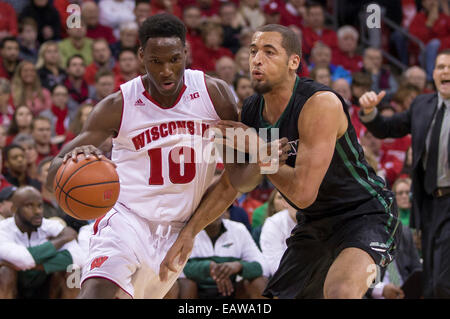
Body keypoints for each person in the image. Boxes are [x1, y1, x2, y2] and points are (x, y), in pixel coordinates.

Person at [169, 23, 401, 299]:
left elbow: (302, 194)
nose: (256, 59)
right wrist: (190, 233)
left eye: (269, 52)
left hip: (365, 213)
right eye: (253, 51)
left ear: (294, 62)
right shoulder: (253, 110)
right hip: (314, 220)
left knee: (340, 292)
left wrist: (257, 148)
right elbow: (232, 184)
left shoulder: (320, 104)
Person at [45, 13, 242, 299]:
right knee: (95, 292)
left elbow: (237, 178)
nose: (166, 71)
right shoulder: (118, 106)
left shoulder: (216, 96)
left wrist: (191, 231)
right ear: (141, 56)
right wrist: (73, 160)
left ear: (186, 53)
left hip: (178, 228)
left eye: (174, 59)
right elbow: (51, 177)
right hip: (126, 219)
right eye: (156, 61)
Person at [358, 49, 450, 298]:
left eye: (449, 67)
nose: (446, 71)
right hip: (428, 200)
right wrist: (370, 112)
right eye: (441, 66)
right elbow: (388, 127)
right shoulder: (422, 104)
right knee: (430, 276)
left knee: (443, 278)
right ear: (433, 73)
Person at [0, 186, 84, 299]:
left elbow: (79, 258)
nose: (37, 211)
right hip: (15, 287)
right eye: (29, 206)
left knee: (73, 271)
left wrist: (32, 265)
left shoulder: (51, 226)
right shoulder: (3, 229)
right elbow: (23, 259)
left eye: (40, 205)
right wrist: (59, 241)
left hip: (47, 286)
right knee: (5, 271)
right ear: (14, 209)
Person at [181, 212, 268, 299]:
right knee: (185, 284)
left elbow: (264, 267)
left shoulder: (238, 229)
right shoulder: (186, 231)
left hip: (232, 289)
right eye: (211, 207)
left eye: (219, 207)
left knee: (259, 281)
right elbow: (177, 272)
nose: (215, 211)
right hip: (197, 290)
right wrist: (207, 267)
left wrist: (239, 266)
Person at [259, 203, 297, 277]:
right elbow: (275, 267)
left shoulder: (319, 220)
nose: (299, 205)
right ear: (285, 202)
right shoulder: (273, 223)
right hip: (287, 280)